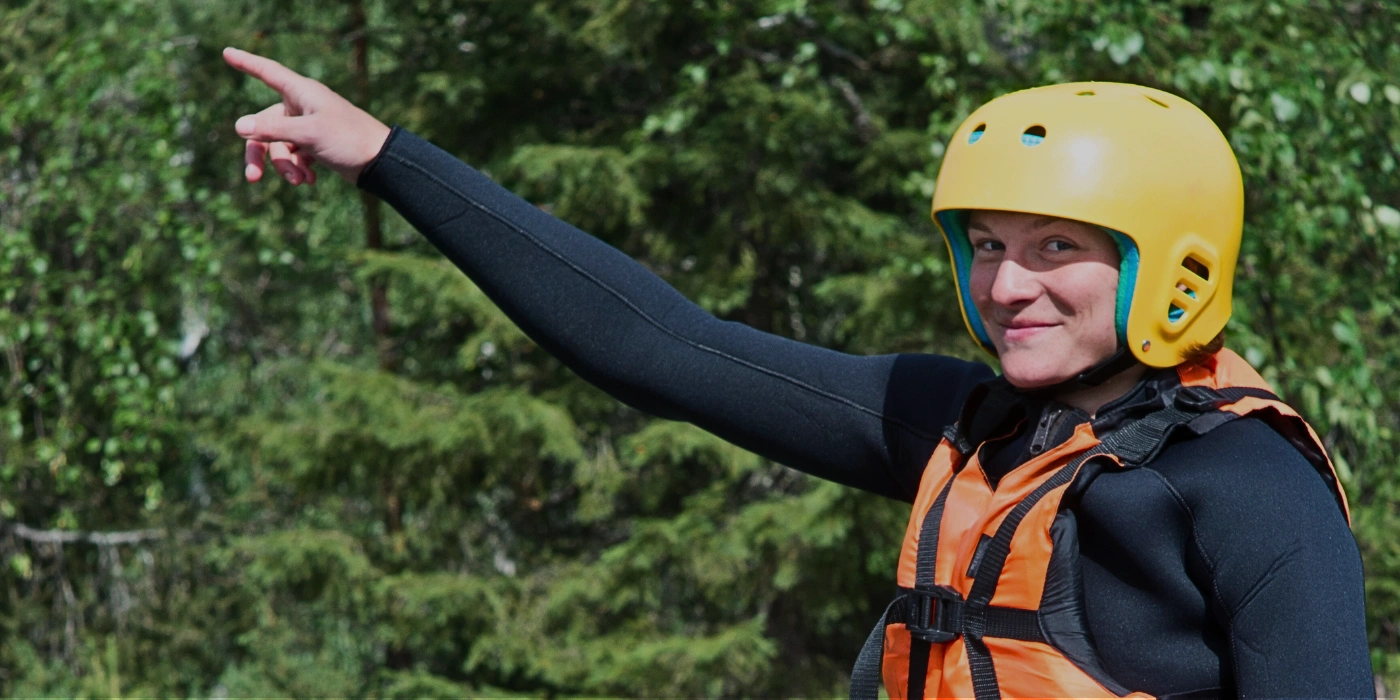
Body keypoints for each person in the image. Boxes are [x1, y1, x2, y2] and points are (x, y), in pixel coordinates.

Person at [221, 47, 1373, 699]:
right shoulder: (954, 426)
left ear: (1170, 267)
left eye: (1054, 247)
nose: (1005, 285)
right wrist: (383, 156)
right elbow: (657, 345)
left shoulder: (1245, 483)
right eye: (984, 245)